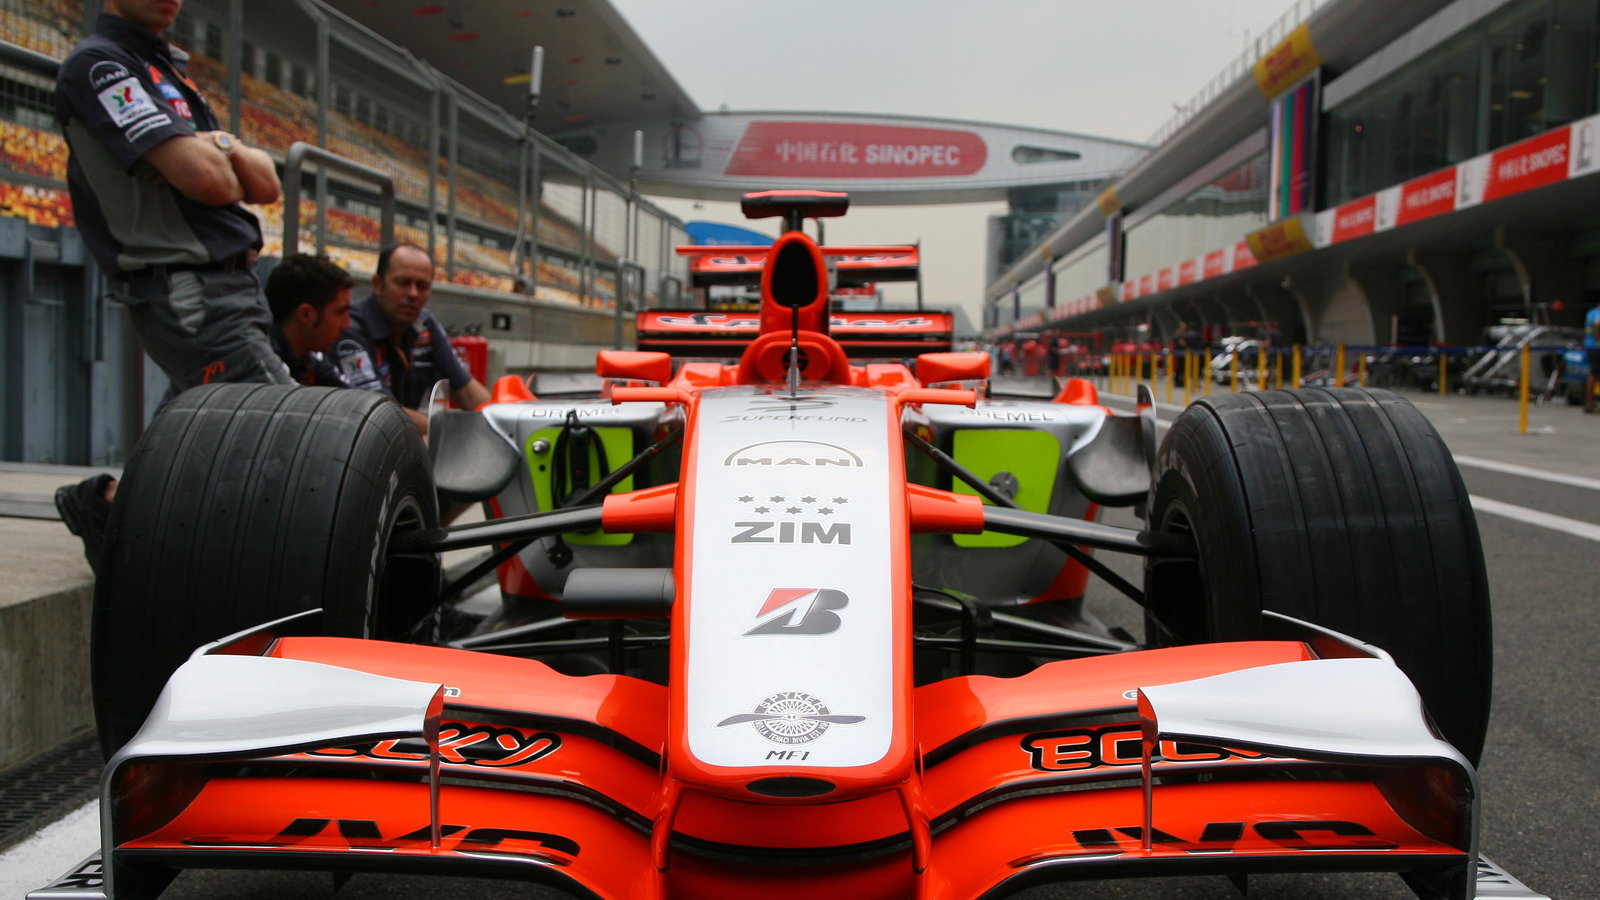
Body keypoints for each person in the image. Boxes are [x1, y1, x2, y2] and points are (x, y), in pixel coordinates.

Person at [53, 0, 289, 575]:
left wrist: (217, 145)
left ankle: (109, 507)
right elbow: (209, 180)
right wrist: (220, 151)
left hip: (227, 283)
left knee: (196, 435)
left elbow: (266, 184)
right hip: (188, 285)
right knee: (284, 426)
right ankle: (111, 507)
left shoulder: (164, 68)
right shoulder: (102, 65)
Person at [333, 243, 491, 435]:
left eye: (422, 286)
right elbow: (380, 413)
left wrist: (501, 422)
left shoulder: (426, 324)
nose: (413, 294)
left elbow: (468, 392)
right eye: (402, 283)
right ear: (377, 284)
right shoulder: (350, 329)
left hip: (403, 441)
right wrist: (451, 431)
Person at [264, 253, 354, 387]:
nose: (347, 325)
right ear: (306, 314)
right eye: (340, 312)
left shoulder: (310, 357)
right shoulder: (262, 362)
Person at [1585, 302, 1600, 413]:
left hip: (1590, 346)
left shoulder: (1591, 312)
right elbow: (1598, 323)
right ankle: (1589, 403)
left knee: (1594, 374)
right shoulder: (1598, 313)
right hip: (1596, 347)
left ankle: (1590, 402)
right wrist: (1598, 336)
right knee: (1594, 374)